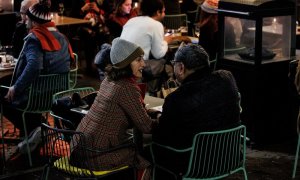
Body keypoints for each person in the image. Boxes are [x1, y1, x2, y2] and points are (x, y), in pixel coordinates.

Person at [70, 38, 159, 180]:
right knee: (147, 158)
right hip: (96, 155)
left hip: (79, 149)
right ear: (125, 64)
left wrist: (147, 113)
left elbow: (126, 112)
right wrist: (161, 119)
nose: (143, 63)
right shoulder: (127, 88)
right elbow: (146, 127)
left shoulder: (109, 80)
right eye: (138, 60)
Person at [152, 43, 241, 178]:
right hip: (230, 157)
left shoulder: (176, 98)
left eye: (174, 64)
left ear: (181, 67)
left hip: (196, 165)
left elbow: (164, 136)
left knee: (149, 150)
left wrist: (158, 117)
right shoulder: (227, 78)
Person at [1, 0, 73, 139]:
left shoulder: (35, 38)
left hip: (36, 96)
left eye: (27, 17)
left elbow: (34, 67)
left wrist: (16, 88)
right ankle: (37, 128)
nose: (25, 19)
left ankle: (34, 128)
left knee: (4, 92)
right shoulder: (62, 37)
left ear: (33, 21)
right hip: (58, 94)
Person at [70, 0, 112, 75]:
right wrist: (82, 9)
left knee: (103, 35)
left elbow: (109, 14)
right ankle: (89, 67)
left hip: (99, 27)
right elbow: (71, 16)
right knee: (89, 36)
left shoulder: (102, 2)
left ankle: (103, 65)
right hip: (82, 27)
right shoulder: (78, 2)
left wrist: (98, 10)